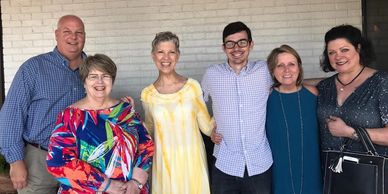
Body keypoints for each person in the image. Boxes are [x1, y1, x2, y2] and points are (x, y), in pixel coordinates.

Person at [0, 15, 86, 193]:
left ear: (84, 36)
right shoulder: (33, 68)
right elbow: (12, 114)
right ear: (56, 34)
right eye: (67, 32)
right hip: (39, 161)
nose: (73, 37)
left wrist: (122, 106)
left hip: (81, 160)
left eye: (79, 32)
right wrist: (15, 161)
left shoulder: (93, 69)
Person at [46, 54, 154, 194]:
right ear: (84, 81)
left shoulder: (126, 111)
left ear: (112, 81)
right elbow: (57, 162)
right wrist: (105, 185)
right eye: (93, 76)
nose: (100, 81)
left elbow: (146, 146)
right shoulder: (70, 117)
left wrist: (136, 182)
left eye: (105, 76)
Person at [202, 21, 272, 194]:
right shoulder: (212, 74)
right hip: (225, 163)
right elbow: (195, 105)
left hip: (259, 163)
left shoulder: (265, 71)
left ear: (250, 44)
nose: (236, 48)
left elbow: (291, 84)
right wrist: (208, 129)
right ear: (223, 47)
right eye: (230, 44)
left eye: (242, 42)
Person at [141, 31, 214, 194]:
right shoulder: (147, 94)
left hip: (192, 162)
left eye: (171, 52)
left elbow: (207, 128)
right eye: (161, 52)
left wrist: (229, 108)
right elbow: (149, 132)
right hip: (164, 165)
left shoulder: (192, 87)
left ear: (178, 55)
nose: (166, 57)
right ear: (153, 56)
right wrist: (126, 114)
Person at [317, 24, 388, 155]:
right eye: (332, 52)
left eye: (344, 50)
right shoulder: (324, 86)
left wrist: (349, 132)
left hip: (369, 170)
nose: (338, 57)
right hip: (330, 170)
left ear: (358, 48)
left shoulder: (382, 82)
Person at [266, 44, 322, 194]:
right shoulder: (266, 97)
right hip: (278, 169)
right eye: (280, 65)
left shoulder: (313, 93)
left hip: (312, 166)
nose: (287, 70)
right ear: (272, 70)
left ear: (299, 67)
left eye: (291, 64)